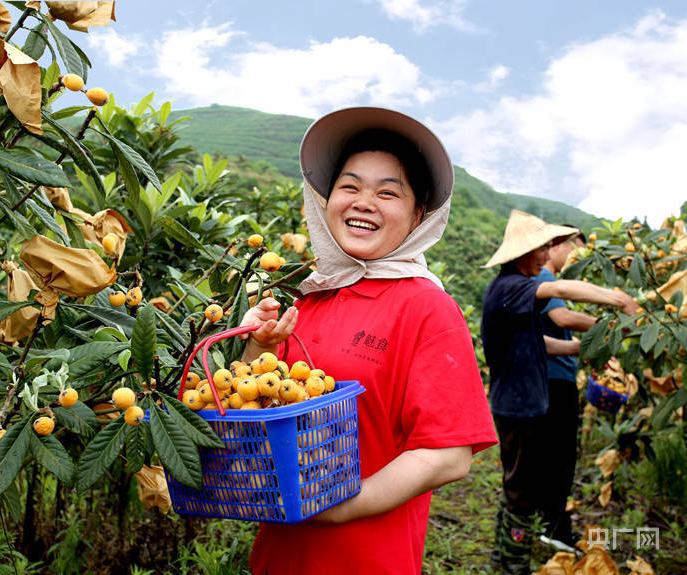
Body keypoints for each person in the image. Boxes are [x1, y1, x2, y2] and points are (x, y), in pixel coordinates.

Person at [238, 107, 498, 574]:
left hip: (366, 558)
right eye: (350, 187)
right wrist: (260, 347)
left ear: (418, 216)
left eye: (387, 192)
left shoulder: (427, 307)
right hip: (278, 555)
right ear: (327, 200)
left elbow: (448, 456)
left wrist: (343, 506)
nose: (363, 202)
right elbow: (263, 409)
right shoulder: (310, 296)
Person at [481, 210, 637, 574]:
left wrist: (583, 347)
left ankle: (502, 557)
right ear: (523, 252)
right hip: (518, 406)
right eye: (542, 248)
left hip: (523, 403)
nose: (546, 256)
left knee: (518, 483)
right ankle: (513, 566)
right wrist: (620, 301)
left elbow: (541, 343)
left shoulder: (515, 292)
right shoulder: (511, 286)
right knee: (522, 492)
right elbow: (562, 290)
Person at [534, 229, 594, 551]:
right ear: (559, 246)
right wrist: (606, 327)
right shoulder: (546, 277)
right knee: (560, 457)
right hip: (554, 380)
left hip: (554, 378)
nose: (577, 259)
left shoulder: (548, 279)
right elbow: (562, 317)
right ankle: (554, 527)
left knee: (554, 455)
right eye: (575, 251)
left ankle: (549, 522)